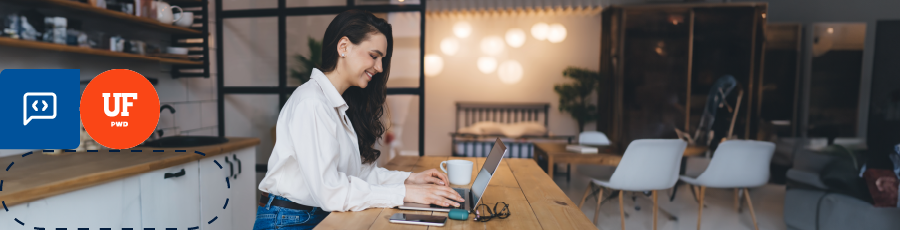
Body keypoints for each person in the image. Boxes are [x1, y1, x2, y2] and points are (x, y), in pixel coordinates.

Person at [253, 10, 464, 230]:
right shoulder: (312, 103)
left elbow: (356, 174)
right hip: (290, 221)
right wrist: (404, 193)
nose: (380, 68)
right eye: (374, 56)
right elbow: (330, 192)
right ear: (343, 47)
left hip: (312, 215)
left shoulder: (336, 103)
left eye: (382, 59)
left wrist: (409, 180)